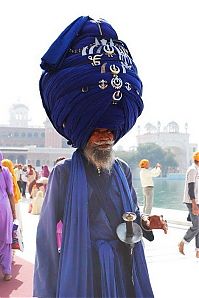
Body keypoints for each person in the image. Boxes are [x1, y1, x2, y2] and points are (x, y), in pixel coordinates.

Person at [33, 16, 167, 298]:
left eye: (109, 130)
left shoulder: (122, 170)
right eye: (97, 130)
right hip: (83, 271)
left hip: (121, 268)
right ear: (82, 133)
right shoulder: (64, 173)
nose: (105, 137)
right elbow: (46, 239)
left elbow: (130, 218)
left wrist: (147, 222)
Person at [178, 152, 199, 257]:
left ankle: (198, 250)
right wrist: (194, 204)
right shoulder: (192, 170)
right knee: (196, 225)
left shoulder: (197, 169)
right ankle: (183, 242)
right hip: (192, 202)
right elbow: (191, 188)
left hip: (197, 201)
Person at [0, 152, 16, 281]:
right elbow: (10, 193)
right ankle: (6, 272)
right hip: (3, 207)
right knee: (6, 239)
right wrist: (14, 212)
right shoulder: (5, 171)